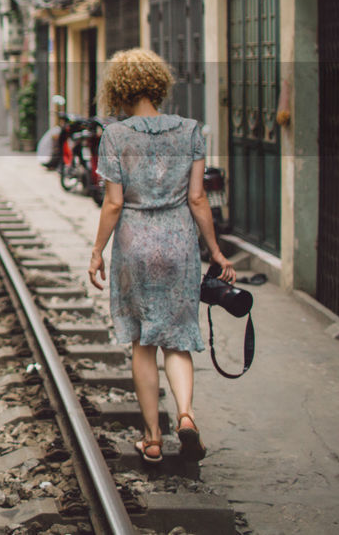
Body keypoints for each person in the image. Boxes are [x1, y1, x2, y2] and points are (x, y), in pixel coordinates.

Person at [87, 48, 237, 466]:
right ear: (159, 84)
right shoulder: (190, 131)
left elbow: (113, 204)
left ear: (117, 88)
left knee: (142, 343)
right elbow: (197, 197)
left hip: (134, 242)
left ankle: (152, 437)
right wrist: (217, 251)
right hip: (178, 243)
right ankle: (186, 416)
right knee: (177, 340)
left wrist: (98, 251)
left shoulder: (115, 136)